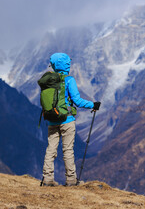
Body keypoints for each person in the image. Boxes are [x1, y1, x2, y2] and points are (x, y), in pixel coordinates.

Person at [42, 52, 101, 187]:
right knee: (68, 150)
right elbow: (77, 101)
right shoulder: (69, 80)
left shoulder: (47, 81)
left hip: (52, 120)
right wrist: (93, 105)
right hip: (67, 121)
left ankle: (47, 179)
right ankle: (71, 180)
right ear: (66, 65)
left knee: (51, 149)